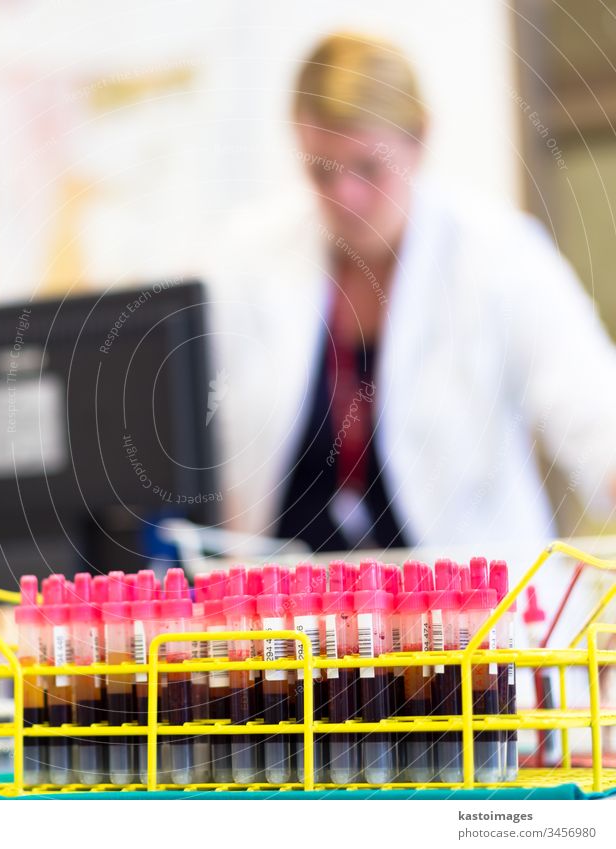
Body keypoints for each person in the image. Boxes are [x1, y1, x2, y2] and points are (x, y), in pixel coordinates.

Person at [206, 32, 616, 551]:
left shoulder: (497, 255)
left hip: (467, 618)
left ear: (419, 139)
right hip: (290, 618)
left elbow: (594, 409)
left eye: (368, 169)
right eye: (321, 173)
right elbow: (189, 432)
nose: (345, 197)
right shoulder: (247, 259)